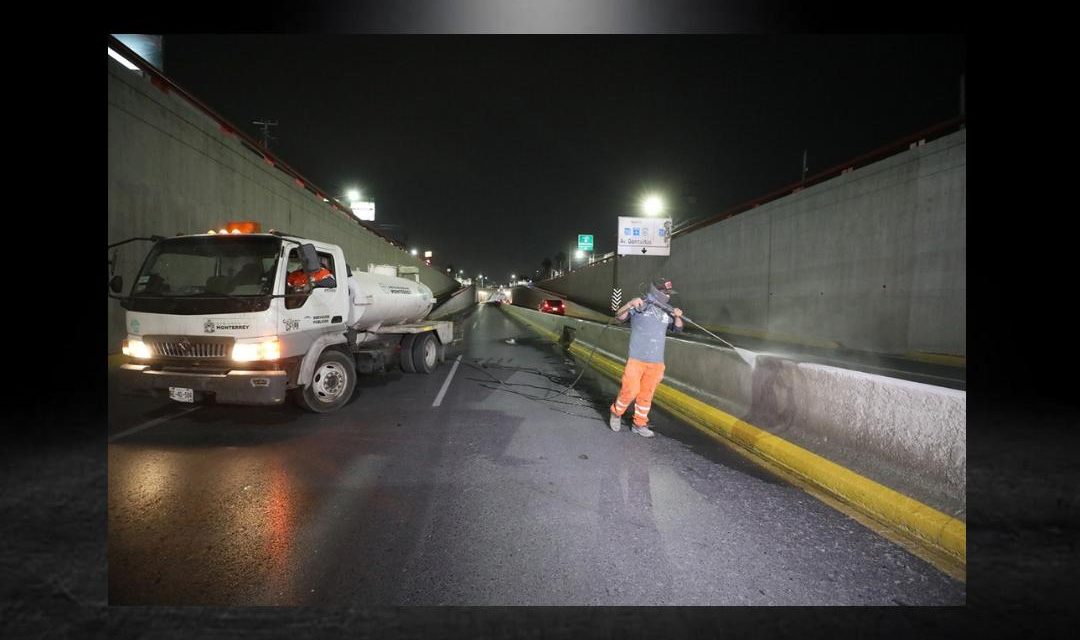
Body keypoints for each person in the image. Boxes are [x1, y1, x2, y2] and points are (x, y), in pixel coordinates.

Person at [609, 277, 683, 437]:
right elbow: (619, 317)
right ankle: (616, 413)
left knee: (646, 394)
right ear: (657, 291)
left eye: (670, 293)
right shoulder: (640, 305)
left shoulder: (667, 310)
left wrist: (677, 316)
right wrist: (629, 304)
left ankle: (639, 424)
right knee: (631, 390)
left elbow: (678, 330)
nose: (668, 296)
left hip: (656, 362)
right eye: (666, 292)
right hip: (637, 359)